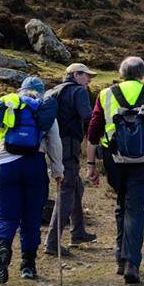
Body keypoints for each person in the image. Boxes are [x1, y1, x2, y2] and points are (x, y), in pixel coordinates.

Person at [86, 56, 144, 285]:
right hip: (142, 159)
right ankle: (131, 263)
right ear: (143, 73)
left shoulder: (106, 94)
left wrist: (90, 164)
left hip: (113, 158)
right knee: (135, 209)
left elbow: (94, 130)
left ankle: (120, 257)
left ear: (121, 72)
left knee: (122, 204)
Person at [0, 76, 63, 284]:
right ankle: (28, 265)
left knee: (6, 214)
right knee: (31, 216)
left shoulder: (8, 105)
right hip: (34, 165)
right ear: (41, 91)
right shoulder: (44, 109)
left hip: (5, 165)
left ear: (20, 90)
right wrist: (58, 170)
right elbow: (55, 143)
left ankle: (2, 246)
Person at [44, 63, 98, 257]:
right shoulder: (78, 92)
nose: (89, 80)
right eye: (86, 75)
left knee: (76, 186)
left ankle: (78, 232)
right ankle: (52, 242)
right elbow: (88, 117)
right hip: (69, 144)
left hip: (53, 143)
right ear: (76, 74)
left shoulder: (53, 91)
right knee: (67, 190)